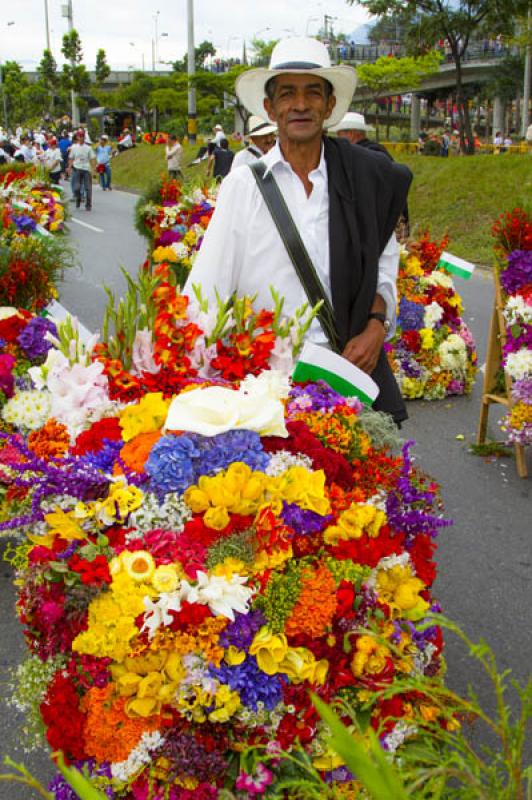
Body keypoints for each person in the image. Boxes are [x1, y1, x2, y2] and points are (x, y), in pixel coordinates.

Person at [185, 36, 412, 424]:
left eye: (313, 92)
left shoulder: (364, 178)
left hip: (345, 377)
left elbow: (383, 260)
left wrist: (377, 325)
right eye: (288, 94)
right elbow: (206, 292)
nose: (301, 105)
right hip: (263, 388)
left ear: (330, 104)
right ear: (271, 108)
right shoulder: (243, 187)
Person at [68, 130, 96, 210]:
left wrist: (94, 170)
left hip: (86, 169)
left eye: (82, 136)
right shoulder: (74, 147)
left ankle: (88, 205)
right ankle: (78, 198)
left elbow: (93, 159)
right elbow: (71, 158)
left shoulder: (88, 148)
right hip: (77, 168)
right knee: (76, 187)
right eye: (79, 136)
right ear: (77, 137)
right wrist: (69, 167)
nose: (81, 138)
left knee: (88, 188)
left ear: (84, 137)